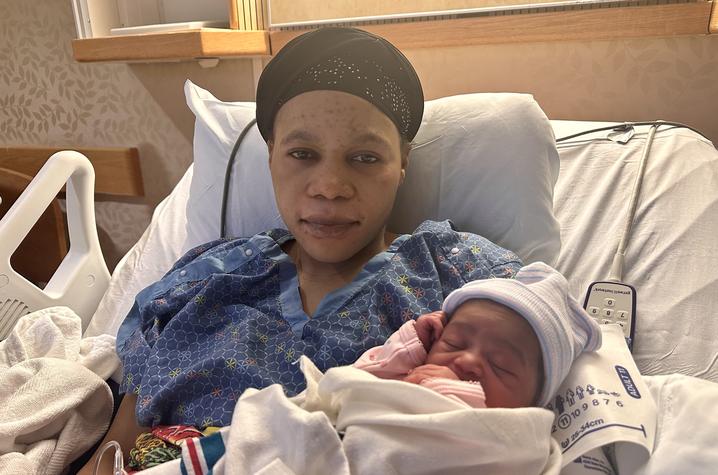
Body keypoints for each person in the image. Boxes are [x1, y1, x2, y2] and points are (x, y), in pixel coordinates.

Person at [80, 27, 525, 473]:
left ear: (403, 162)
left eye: (365, 157)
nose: (330, 188)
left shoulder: (460, 276)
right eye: (303, 153)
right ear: (271, 153)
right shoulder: (205, 279)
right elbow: (113, 452)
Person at [354, 262, 602, 409]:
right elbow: (354, 384)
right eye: (454, 343)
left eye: (500, 364)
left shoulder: (518, 434)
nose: (468, 361)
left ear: (535, 400)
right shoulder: (413, 372)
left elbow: (468, 435)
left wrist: (443, 390)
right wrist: (411, 345)